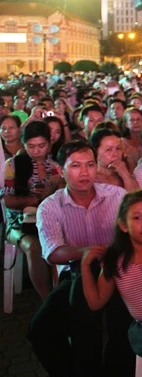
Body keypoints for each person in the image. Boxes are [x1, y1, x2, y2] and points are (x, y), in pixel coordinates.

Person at [29, 140, 133, 377]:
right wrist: (86, 252)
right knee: (41, 329)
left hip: (117, 271)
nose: (84, 172)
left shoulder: (118, 196)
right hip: (75, 271)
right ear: (61, 170)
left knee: (122, 325)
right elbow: (53, 252)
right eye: (76, 166)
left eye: (90, 165)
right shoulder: (50, 206)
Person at [80, 190, 142, 359]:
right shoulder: (115, 261)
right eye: (137, 218)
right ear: (123, 225)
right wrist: (85, 266)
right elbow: (96, 302)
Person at [2, 121, 62, 299]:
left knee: (60, 241)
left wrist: (53, 191)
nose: (36, 151)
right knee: (35, 246)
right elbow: (7, 201)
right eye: (31, 146)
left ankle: (62, 292)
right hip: (18, 224)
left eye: (41, 146)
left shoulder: (56, 168)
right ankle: (47, 299)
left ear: (49, 144)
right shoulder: (13, 165)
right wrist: (34, 200)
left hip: (48, 222)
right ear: (24, 144)